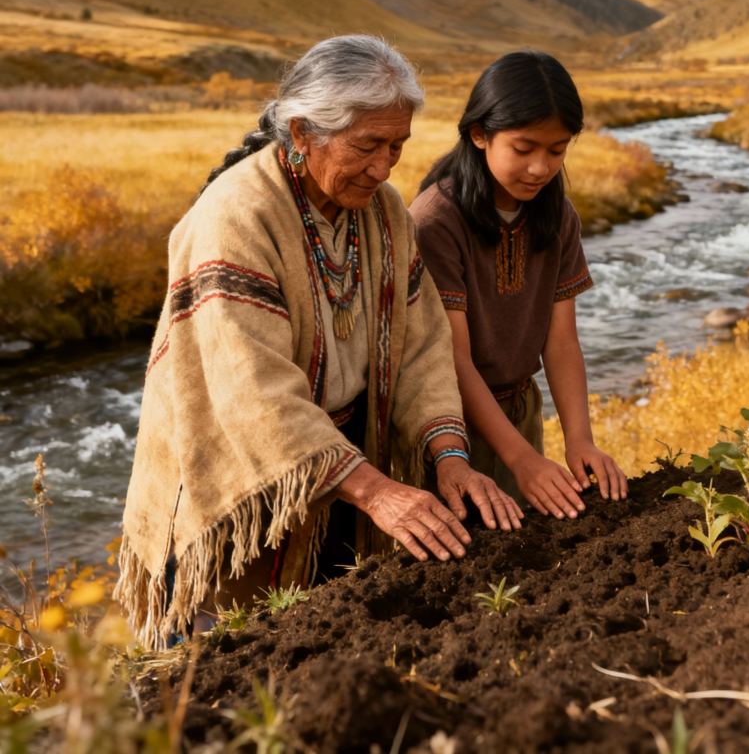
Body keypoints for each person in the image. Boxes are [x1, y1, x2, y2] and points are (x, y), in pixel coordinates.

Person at [115, 36, 521, 649]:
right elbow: (250, 393)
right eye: (367, 147)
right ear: (302, 132)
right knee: (218, 672)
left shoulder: (382, 212)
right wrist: (377, 491)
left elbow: (422, 346)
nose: (386, 168)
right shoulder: (235, 217)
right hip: (239, 484)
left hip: (339, 474)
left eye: (397, 146)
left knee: (317, 652)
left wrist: (450, 457)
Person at [409, 51, 628, 521]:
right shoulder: (435, 222)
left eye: (557, 150)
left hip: (519, 412)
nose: (540, 169)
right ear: (480, 133)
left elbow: (561, 340)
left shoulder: (557, 215)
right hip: (448, 425)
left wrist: (580, 440)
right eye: (524, 149)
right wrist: (522, 459)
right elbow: (453, 358)